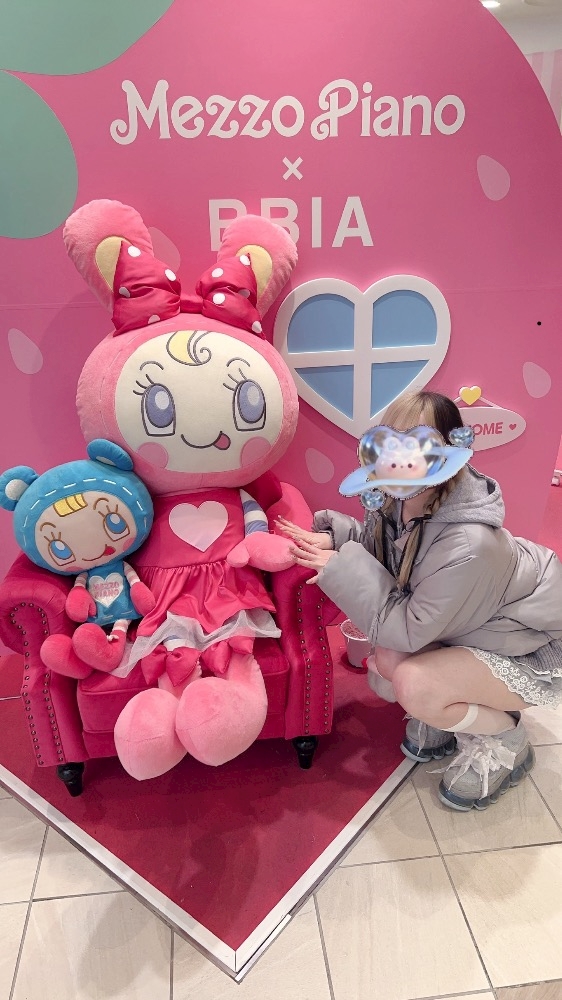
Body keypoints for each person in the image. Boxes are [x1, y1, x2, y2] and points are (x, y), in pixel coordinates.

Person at [277, 391, 562, 811]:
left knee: (414, 684)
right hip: (478, 627)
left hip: (531, 645)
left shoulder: (470, 542)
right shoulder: (403, 496)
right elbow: (394, 556)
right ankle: (451, 714)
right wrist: (339, 540)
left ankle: (506, 737)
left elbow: (408, 628)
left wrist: (341, 567)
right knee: (388, 665)